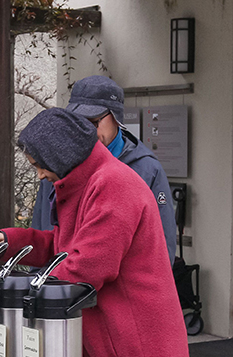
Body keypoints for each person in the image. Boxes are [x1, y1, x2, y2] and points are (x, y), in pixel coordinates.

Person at [0, 108, 193, 357]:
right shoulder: (90, 180)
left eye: (40, 166)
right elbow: (64, 246)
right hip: (110, 339)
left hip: (133, 343)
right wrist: (10, 240)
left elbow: (85, 267)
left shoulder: (114, 184)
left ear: (61, 157)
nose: (39, 175)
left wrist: (15, 291)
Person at [31, 75, 176, 265]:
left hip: (118, 290)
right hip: (58, 287)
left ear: (116, 118)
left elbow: (162, 249)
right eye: (77, 122)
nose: (85, 132)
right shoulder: (56, 166)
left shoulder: (146, 169)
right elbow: (43, 233)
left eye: (92, 122)